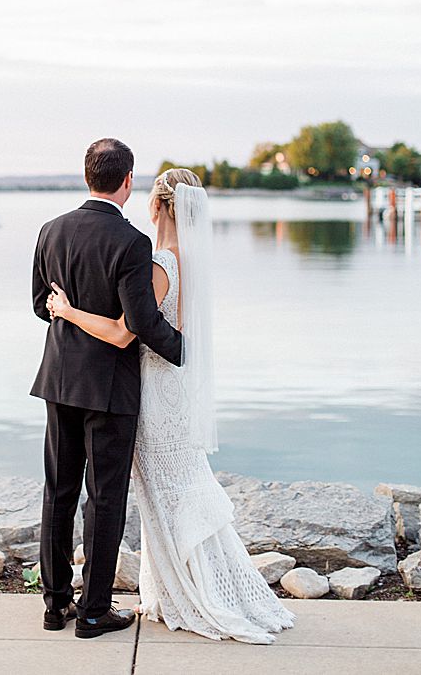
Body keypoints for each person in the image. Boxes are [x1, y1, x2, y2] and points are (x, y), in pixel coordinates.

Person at [46, 167, 295, 643]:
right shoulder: (184, 258)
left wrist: (68, 310)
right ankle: (173, 587)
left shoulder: (159, 262)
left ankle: (186, 590)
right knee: (169, 486)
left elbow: (124, 332)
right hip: (166, 387)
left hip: (143, 390)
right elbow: (166, 332)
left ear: (157, 204)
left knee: (155, 492)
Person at [31, 137, 184, 638]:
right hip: (111, 389)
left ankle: (56, 606)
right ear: (127, 180)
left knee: (58, 492)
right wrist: (186, 351)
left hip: (59, 379)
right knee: (105, 499)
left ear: (86, 176)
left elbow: (39, 305)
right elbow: (139, 322)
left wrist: (68, 312)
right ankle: (94, 611)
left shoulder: (50, 231)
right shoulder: (133, 243)